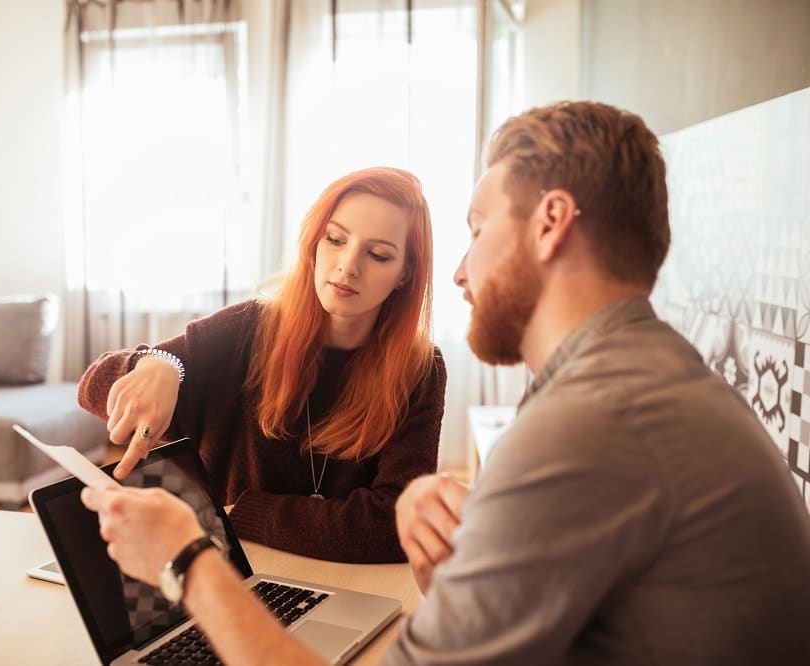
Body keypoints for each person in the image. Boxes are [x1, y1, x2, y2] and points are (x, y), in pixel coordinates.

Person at [81, 101, 810, 664]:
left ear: (551, 223)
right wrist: (460, 578)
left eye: (478, 227)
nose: (462, 270)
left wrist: (187, 559)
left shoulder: (592, 419)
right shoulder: (639, 378)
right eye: (336, 242)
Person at [77, 166, 447, 563]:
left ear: (405, 273)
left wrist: (245, 513)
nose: (348, 265)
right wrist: (158, 365)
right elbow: (93, 385)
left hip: (348, 583)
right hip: (230, 577)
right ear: (314, 243)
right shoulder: (250, 329)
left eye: (378, 254)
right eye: (335, 239)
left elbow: (395, 524)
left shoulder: (419, 370)